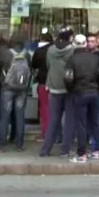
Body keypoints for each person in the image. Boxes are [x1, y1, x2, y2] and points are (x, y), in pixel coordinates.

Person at [64, 34, 99, 163]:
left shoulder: (71, 59)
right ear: (86, 43)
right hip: (94, 92)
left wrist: (71, 90)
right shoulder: (96, 58)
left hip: (79, 92)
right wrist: (97, 86)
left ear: (74, 44)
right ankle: (95, 151)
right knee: (94, 122)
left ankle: (82, 154)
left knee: (81, 124)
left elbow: (68, 78)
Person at [40, 29, 74, 157]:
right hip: (68, 88)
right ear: (69, 38)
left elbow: (48, 65)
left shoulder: (50, 50)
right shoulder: (72, 50)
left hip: (53, 87)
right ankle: (64, 150)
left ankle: (45, 150)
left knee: (53, 120)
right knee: (68, 121)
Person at [0, 36, 31, 152]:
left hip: (7, 88)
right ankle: (19, 144)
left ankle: (0, 144)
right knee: (20, 116)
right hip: (22, 89)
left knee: (4, 116)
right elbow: (30, 70)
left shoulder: (5, 54)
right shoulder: (27, 55)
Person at [31, 33, 53, 142]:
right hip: (58, 84)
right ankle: (56, 134)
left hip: (43, 82)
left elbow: (34, 65)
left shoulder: (39, 51)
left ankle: (46, 133)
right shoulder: (57, 49)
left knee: (44, 109)